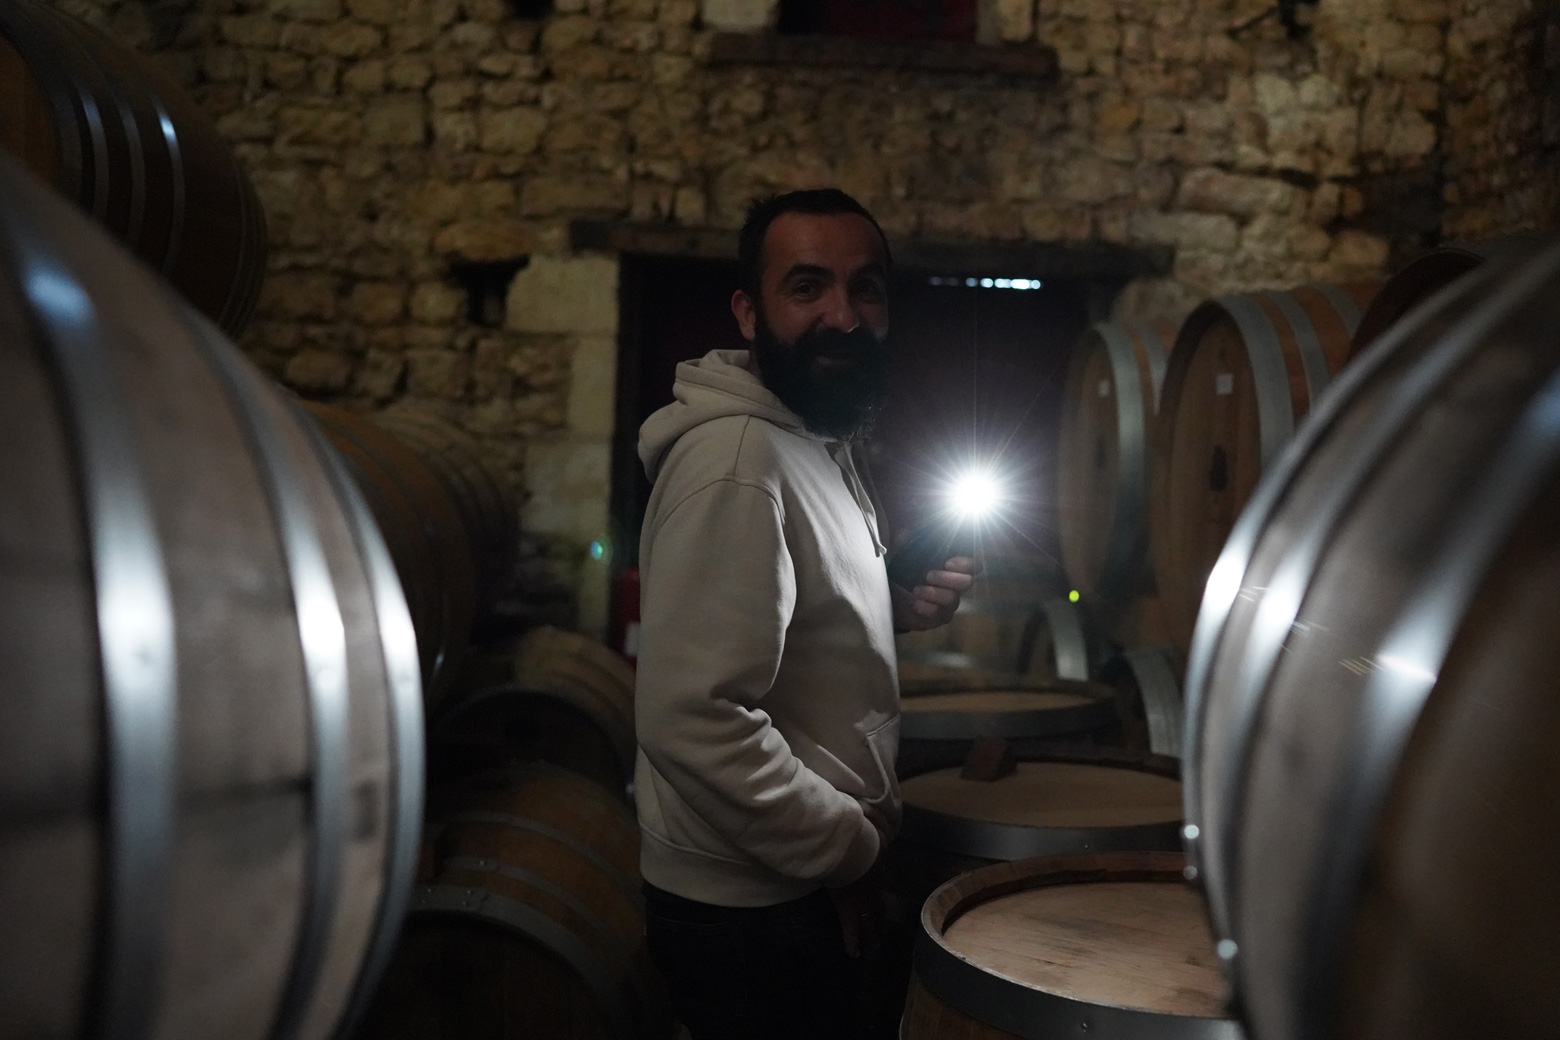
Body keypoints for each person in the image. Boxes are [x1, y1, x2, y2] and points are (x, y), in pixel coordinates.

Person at [633, 188, 977, 1040]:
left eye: (866, 289)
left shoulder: (810, 438)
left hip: (787, 886)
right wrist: (846, 854)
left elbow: (779, 633)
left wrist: (887, 609)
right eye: (807, 286)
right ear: (749, 312)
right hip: (757, 912)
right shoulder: (740, 462)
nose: (844, 316)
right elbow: (694, 718)